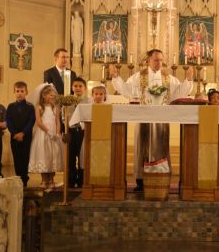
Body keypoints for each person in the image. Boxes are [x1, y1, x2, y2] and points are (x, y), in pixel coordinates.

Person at [110, 49, 193, 191]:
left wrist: (188, 80)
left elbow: (178, 93)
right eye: (156, 60)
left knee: (160, 148)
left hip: (161, 120)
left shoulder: (168, 78)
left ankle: (161, 178)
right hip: (143, 118)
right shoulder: (138, 77)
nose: (159, 63)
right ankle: (140, 181)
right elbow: (126, 90)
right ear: (148, 61)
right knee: (142, 148)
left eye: (161, 60)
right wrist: (116, 77)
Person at [28, 84, 64, 191]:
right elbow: (38, 122)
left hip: (54, 135)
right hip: (43, 134)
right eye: (50, 95)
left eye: (53, 95)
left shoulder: (56, 107)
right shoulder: (39, 107)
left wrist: (57, 133)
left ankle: (51, 180)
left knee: (53, 156)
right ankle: (44, 179)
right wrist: (48, 131)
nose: (52, 96)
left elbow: (57, 121)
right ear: (43, 96)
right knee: (44, 155)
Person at [6, 81, 35, 187]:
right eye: (17, 91)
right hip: (14, 137)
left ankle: (24, 179)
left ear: (26, 92)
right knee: (16, 158)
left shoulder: (30, 107)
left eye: (22, 91)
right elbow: (8, 121)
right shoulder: (10, 106)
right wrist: (14, 133)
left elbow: (31, 121)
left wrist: (23, 133)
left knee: (25, 158)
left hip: (26, 137)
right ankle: (18, 178)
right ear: (14, 92)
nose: (19, 93)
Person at [67, 78, 90, 188]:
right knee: (70, 156)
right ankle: (71, 180)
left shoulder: (88, 101)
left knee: (82, 156)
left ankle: (81, 180)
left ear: (85, 88)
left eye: (80, 86)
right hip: (71, 131)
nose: (77, 88)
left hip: (82, 132)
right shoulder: (68, 101)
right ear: (72, 88)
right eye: (75, 86)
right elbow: (64, 116)